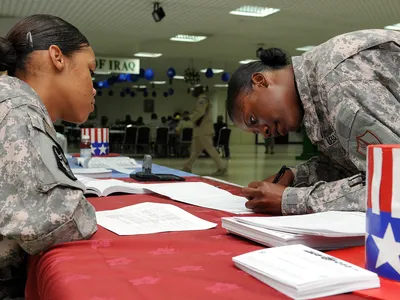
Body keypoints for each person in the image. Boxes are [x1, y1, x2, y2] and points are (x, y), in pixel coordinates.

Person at [227, 29, 400, 215]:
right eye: (257, 132)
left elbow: (394, 184)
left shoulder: (338, 80)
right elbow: (355, 166)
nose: (265, 132)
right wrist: (296, 176)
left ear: (260, 81)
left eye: (253, 119)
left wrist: (292, 201)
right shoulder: (313, 94)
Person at [0, 14, 98, 298]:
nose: (93, 87)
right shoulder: (18, 107)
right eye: (90, 69)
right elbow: (62, 223)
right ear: (57, 57)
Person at [183, 85, 227, 175]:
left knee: (210, 149)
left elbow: (200, 113)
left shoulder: (202, 100)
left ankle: (221, 167)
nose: (193, 92)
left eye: (194, 90)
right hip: (199, 130)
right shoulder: (202, 99)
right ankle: (187, 167)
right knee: (195, 151)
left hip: (204, 130)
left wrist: (189, 117)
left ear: (198, 91)